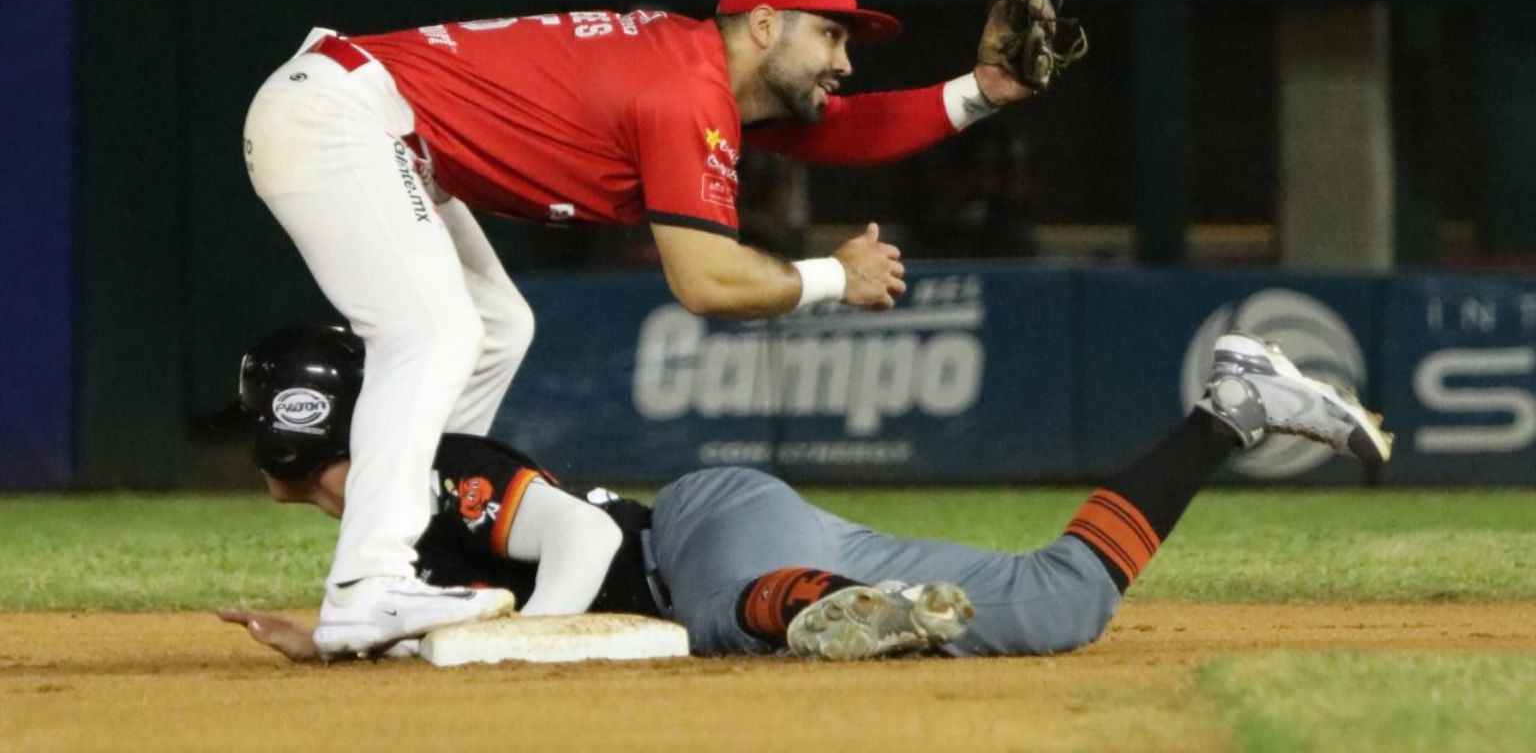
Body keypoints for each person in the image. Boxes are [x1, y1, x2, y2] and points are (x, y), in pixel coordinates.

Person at [239, 0, 1075, 658]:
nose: (844, 61)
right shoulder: (684, 91)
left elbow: (843, 128)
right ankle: (368, 586)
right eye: (830, 34)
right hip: (345, 116)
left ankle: (425, 557)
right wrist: (834, 277)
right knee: (435, 334)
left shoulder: (691, 70)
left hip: (369, 119)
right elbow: (706, 282)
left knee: (497, 327)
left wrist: (981, 92)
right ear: (764, 24)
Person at [221, 326, 1392, 663]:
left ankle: (823, 608)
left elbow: (577, 537)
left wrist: (535, 644)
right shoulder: (392, 518)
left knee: (734, 613)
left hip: (701, 535)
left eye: (292, 464)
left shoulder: (438, 471)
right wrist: (341, 646)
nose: (293, 491)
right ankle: (1234, 409)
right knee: (1060, 604)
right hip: (736, 549)